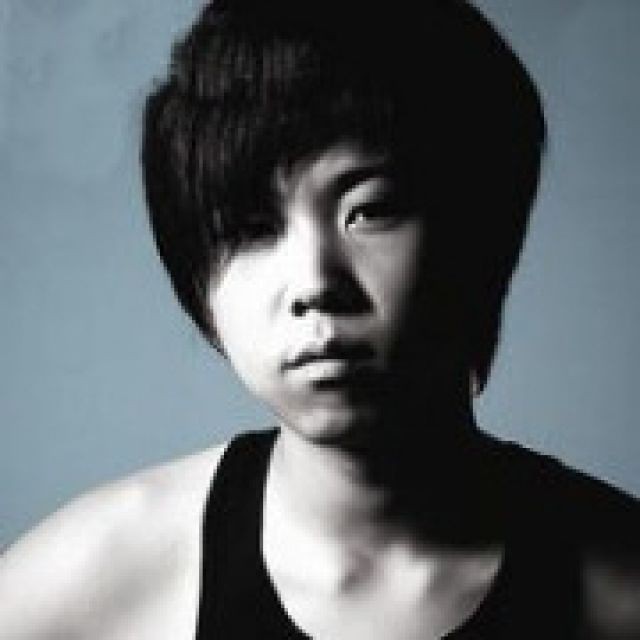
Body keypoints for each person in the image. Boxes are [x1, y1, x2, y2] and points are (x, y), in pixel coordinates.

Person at [1, 0, 639, 637]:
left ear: (478, 236)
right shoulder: (111, 570)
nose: (315, 285)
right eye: (252, 228)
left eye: (371, 210)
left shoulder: (615, 584)